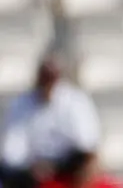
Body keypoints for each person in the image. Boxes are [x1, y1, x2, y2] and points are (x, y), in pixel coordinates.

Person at [0, 57, 101, 188]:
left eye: (52, 78)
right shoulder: (21, 104)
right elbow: (13, 151)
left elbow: (87, 145)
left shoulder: (75, 101)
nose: (48, 84)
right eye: (45, 78)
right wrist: (35, 167)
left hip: (67, 168)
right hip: (31, 172)